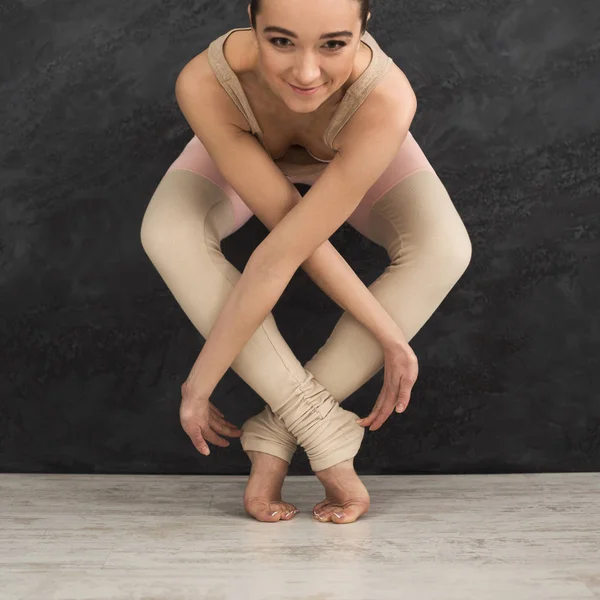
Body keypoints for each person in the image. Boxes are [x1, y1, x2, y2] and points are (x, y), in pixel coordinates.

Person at [141, 0, 472, 524]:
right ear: (251, 19)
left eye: (334, 44)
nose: (306, 72)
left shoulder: (386, 97)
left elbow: (291, 246)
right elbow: (280, 252)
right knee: (166, 230)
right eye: (281, 41)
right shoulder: (205, 81)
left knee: (446, 248)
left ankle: (274, 434)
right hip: (247, 152)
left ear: (365, 27)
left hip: (351, 148)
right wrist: (197, 386)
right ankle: (314, 423)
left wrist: (391, 336)